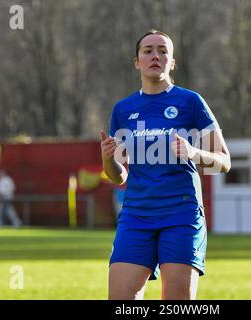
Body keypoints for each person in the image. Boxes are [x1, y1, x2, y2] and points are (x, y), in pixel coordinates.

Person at [101, 30, 231, 300]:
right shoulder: (123, 109)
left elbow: (224, 162)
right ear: (137, 61)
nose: (155, 56)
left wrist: (193, 152)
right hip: (136, 216)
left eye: (162, 51)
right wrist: (106, 159)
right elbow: (119, 176)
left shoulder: (191, 102)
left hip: (181, 214)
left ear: (172, 62)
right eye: (148, 51)